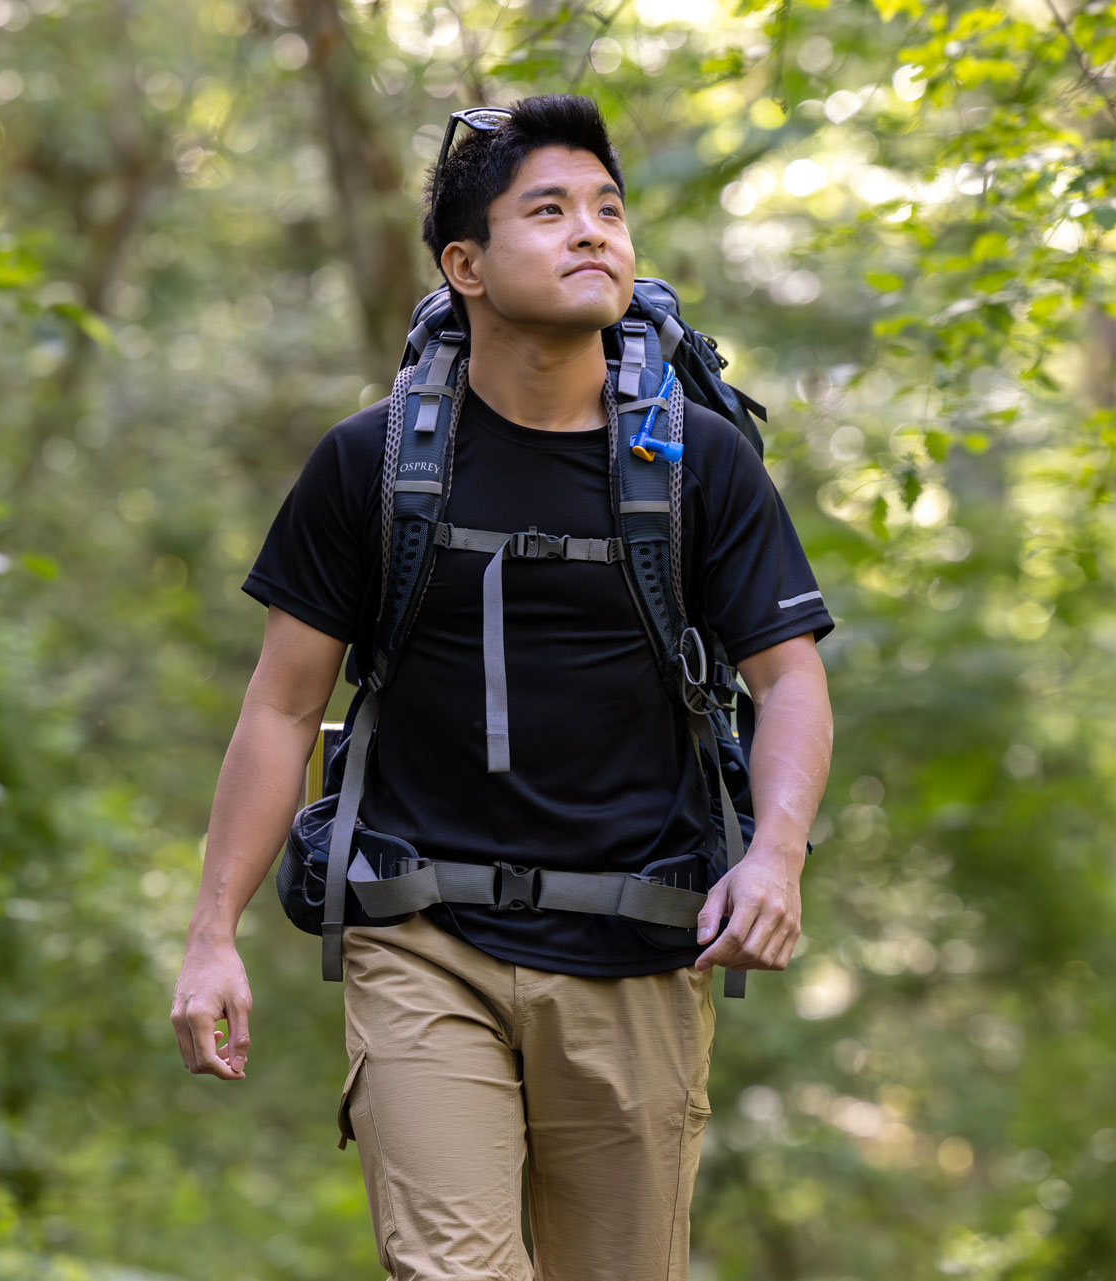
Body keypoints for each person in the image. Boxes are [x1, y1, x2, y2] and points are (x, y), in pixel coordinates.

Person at [170, 93, 834, 1281]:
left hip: (641, 944)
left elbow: (789, 680)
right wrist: (211, 932)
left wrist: (774, 855)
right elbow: (279, 709)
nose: (594, 232)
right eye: (551, 210)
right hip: (423, 936)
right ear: (464, 264)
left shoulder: (694, 463)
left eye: (609, 209)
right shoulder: (370, 465)